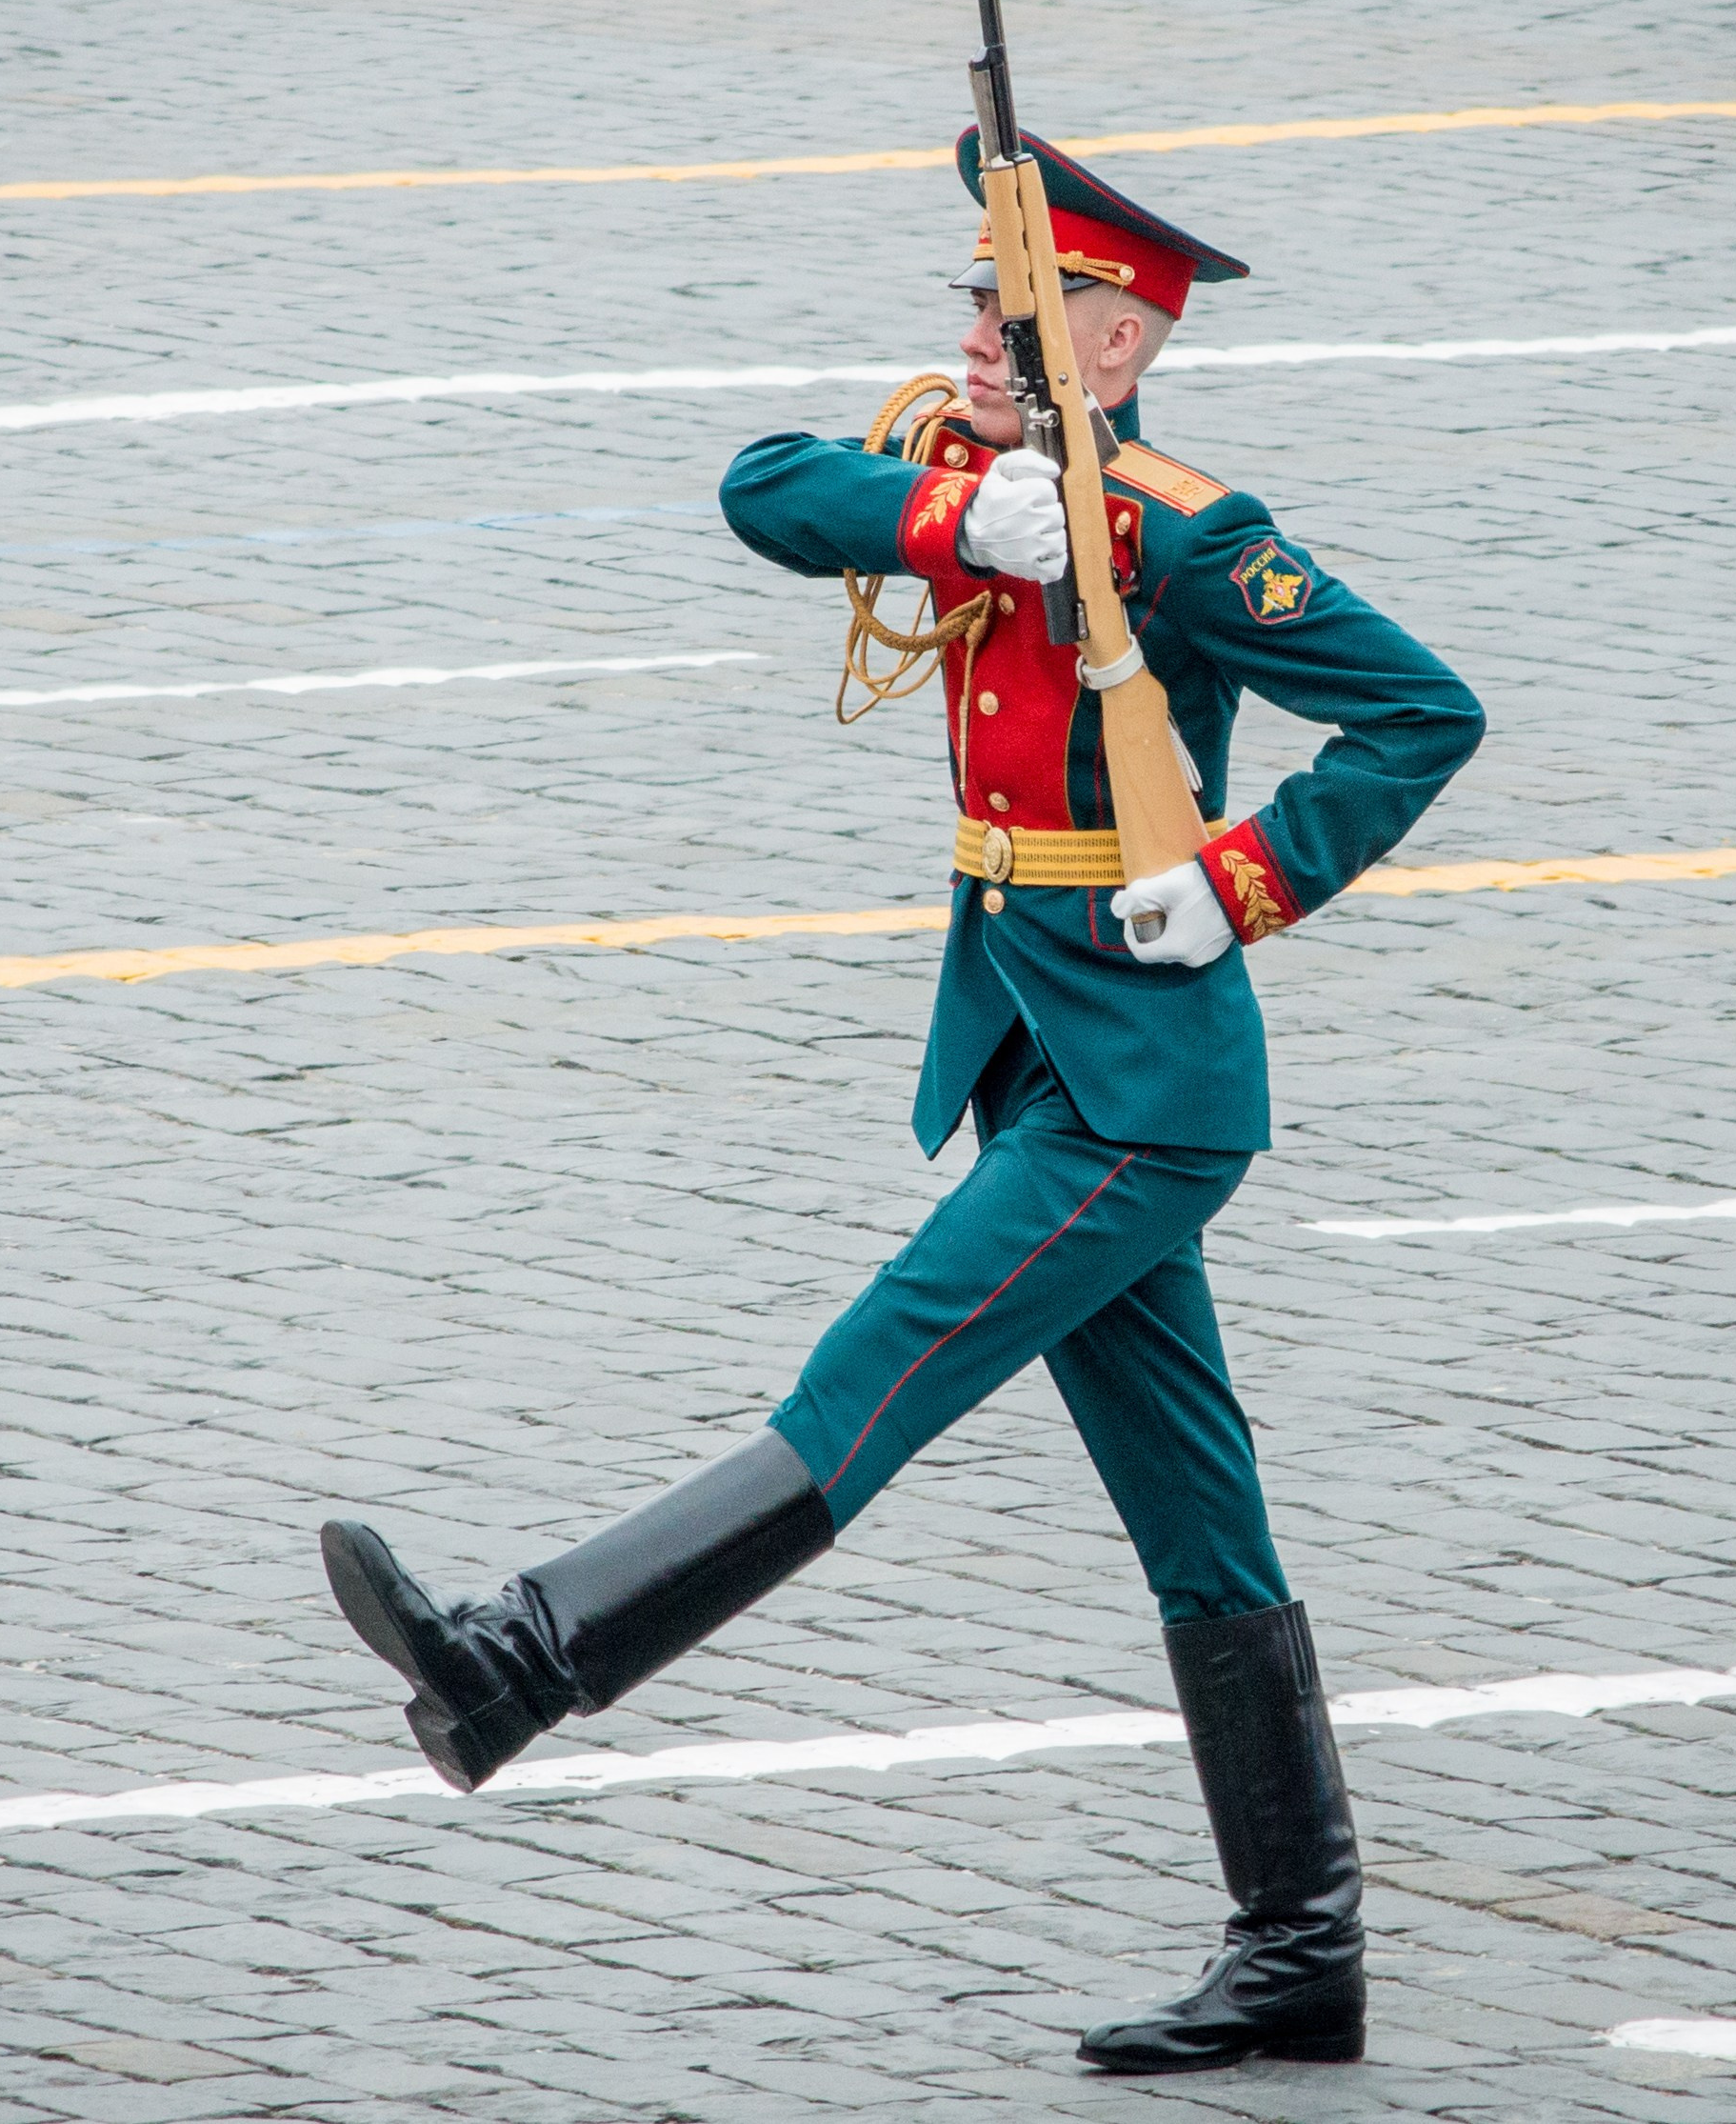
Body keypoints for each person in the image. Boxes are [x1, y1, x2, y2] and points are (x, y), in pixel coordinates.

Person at [319, 132, 1486, 2077]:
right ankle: (1301, 1951)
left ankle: (519, 1657)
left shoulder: (1185, 535)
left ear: (1109, 350)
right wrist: (968, 530)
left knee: (870, 1373)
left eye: (1007, 318)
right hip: (1039, 1058)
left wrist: (1243, 873)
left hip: (1140, 1083)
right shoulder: (980, 487)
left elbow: (1420, 709)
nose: (963, 338)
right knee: (1199, 1522)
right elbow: (763, 488)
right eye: (964, 299)